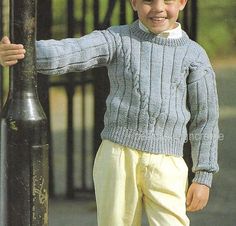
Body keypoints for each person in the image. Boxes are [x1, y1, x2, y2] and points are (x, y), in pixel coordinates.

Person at [0, 0, 219, 225]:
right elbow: (74, 51)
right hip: (117, 157)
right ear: (134, 2)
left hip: (168, 162)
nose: (158, 8)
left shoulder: (195, 56)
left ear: (182, 2)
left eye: (167, 0)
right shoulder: (117, 39)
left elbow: (206, 120)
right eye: (147, 1)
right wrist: (22, 52)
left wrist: (203, 175)